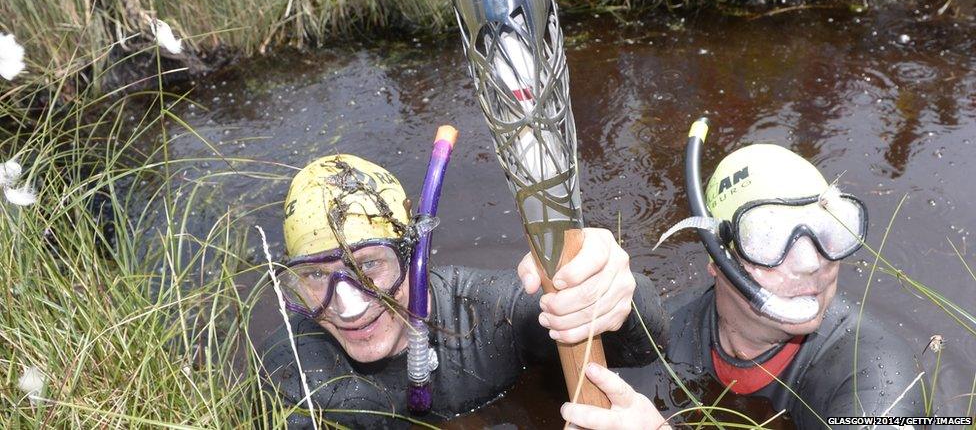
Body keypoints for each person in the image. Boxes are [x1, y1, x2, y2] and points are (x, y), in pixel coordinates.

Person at [257, 154, 669, 428]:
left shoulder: (489, 314)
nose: (347, 306)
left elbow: (646, 348)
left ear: (414, 255)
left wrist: (611, 294)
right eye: (314, 276)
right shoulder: (293, 373)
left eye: (368, 266)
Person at [561, 143, 924, 430]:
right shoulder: (673, 327)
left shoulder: (875, 368)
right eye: (768, 238)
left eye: (829, 231)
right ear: (718, 261)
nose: (812, 263)